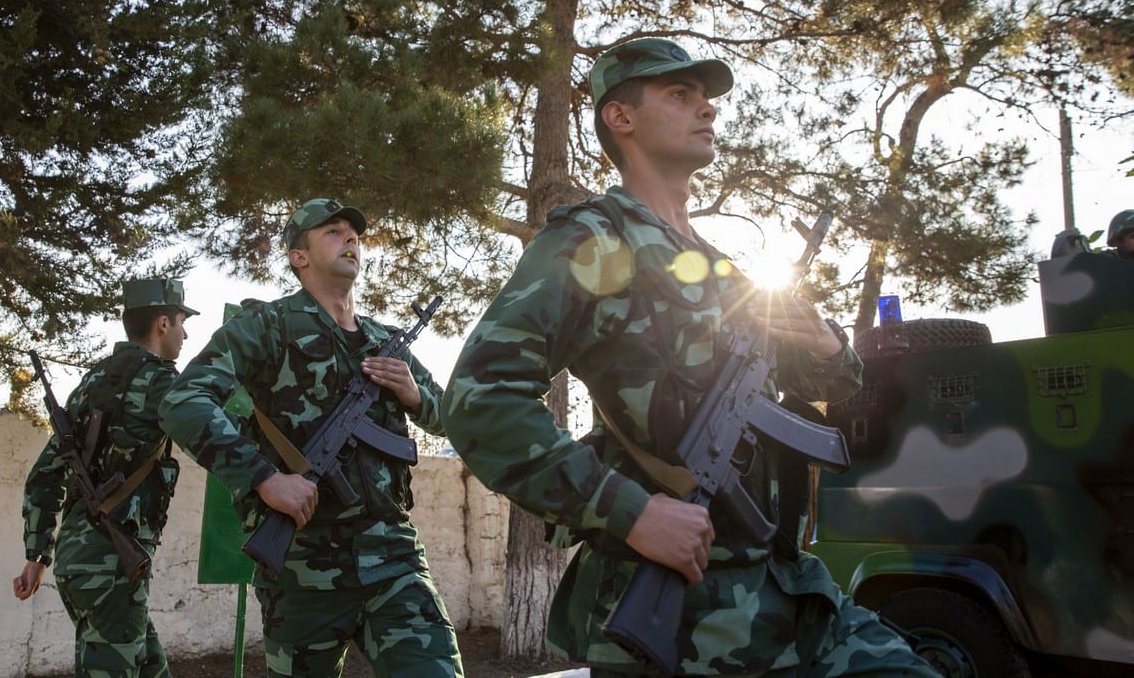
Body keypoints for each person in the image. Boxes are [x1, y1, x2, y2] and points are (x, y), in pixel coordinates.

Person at [442, 38, 939, 677]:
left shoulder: (721, 266)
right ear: (620, 118)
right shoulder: (591, 239)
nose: (706, 110)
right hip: (683, 608)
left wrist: (825, 345)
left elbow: (824, 384)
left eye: (707, 99)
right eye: (681, 95)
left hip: (785, 585)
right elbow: (480, 400)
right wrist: (632, 510)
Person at [158, 198, 463, 678]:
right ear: (298, 257)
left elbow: (452, 419)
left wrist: (414, 394)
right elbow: (182, 403)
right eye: (333, 231)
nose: (350, 238)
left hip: (394, 559)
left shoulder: (384, 342)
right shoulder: (266, 327)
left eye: (354, 233)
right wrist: (262, 478)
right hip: (302, 572)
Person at [14, 278, 197, 678]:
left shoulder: (92, 383)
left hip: (78, 563)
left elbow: (44, 476)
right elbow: (215, 433)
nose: (186, 333)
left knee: (151, 668)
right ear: (162, 324)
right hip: (114, 565)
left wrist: (37, 556)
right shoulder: (162, 383)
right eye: (182, 321)